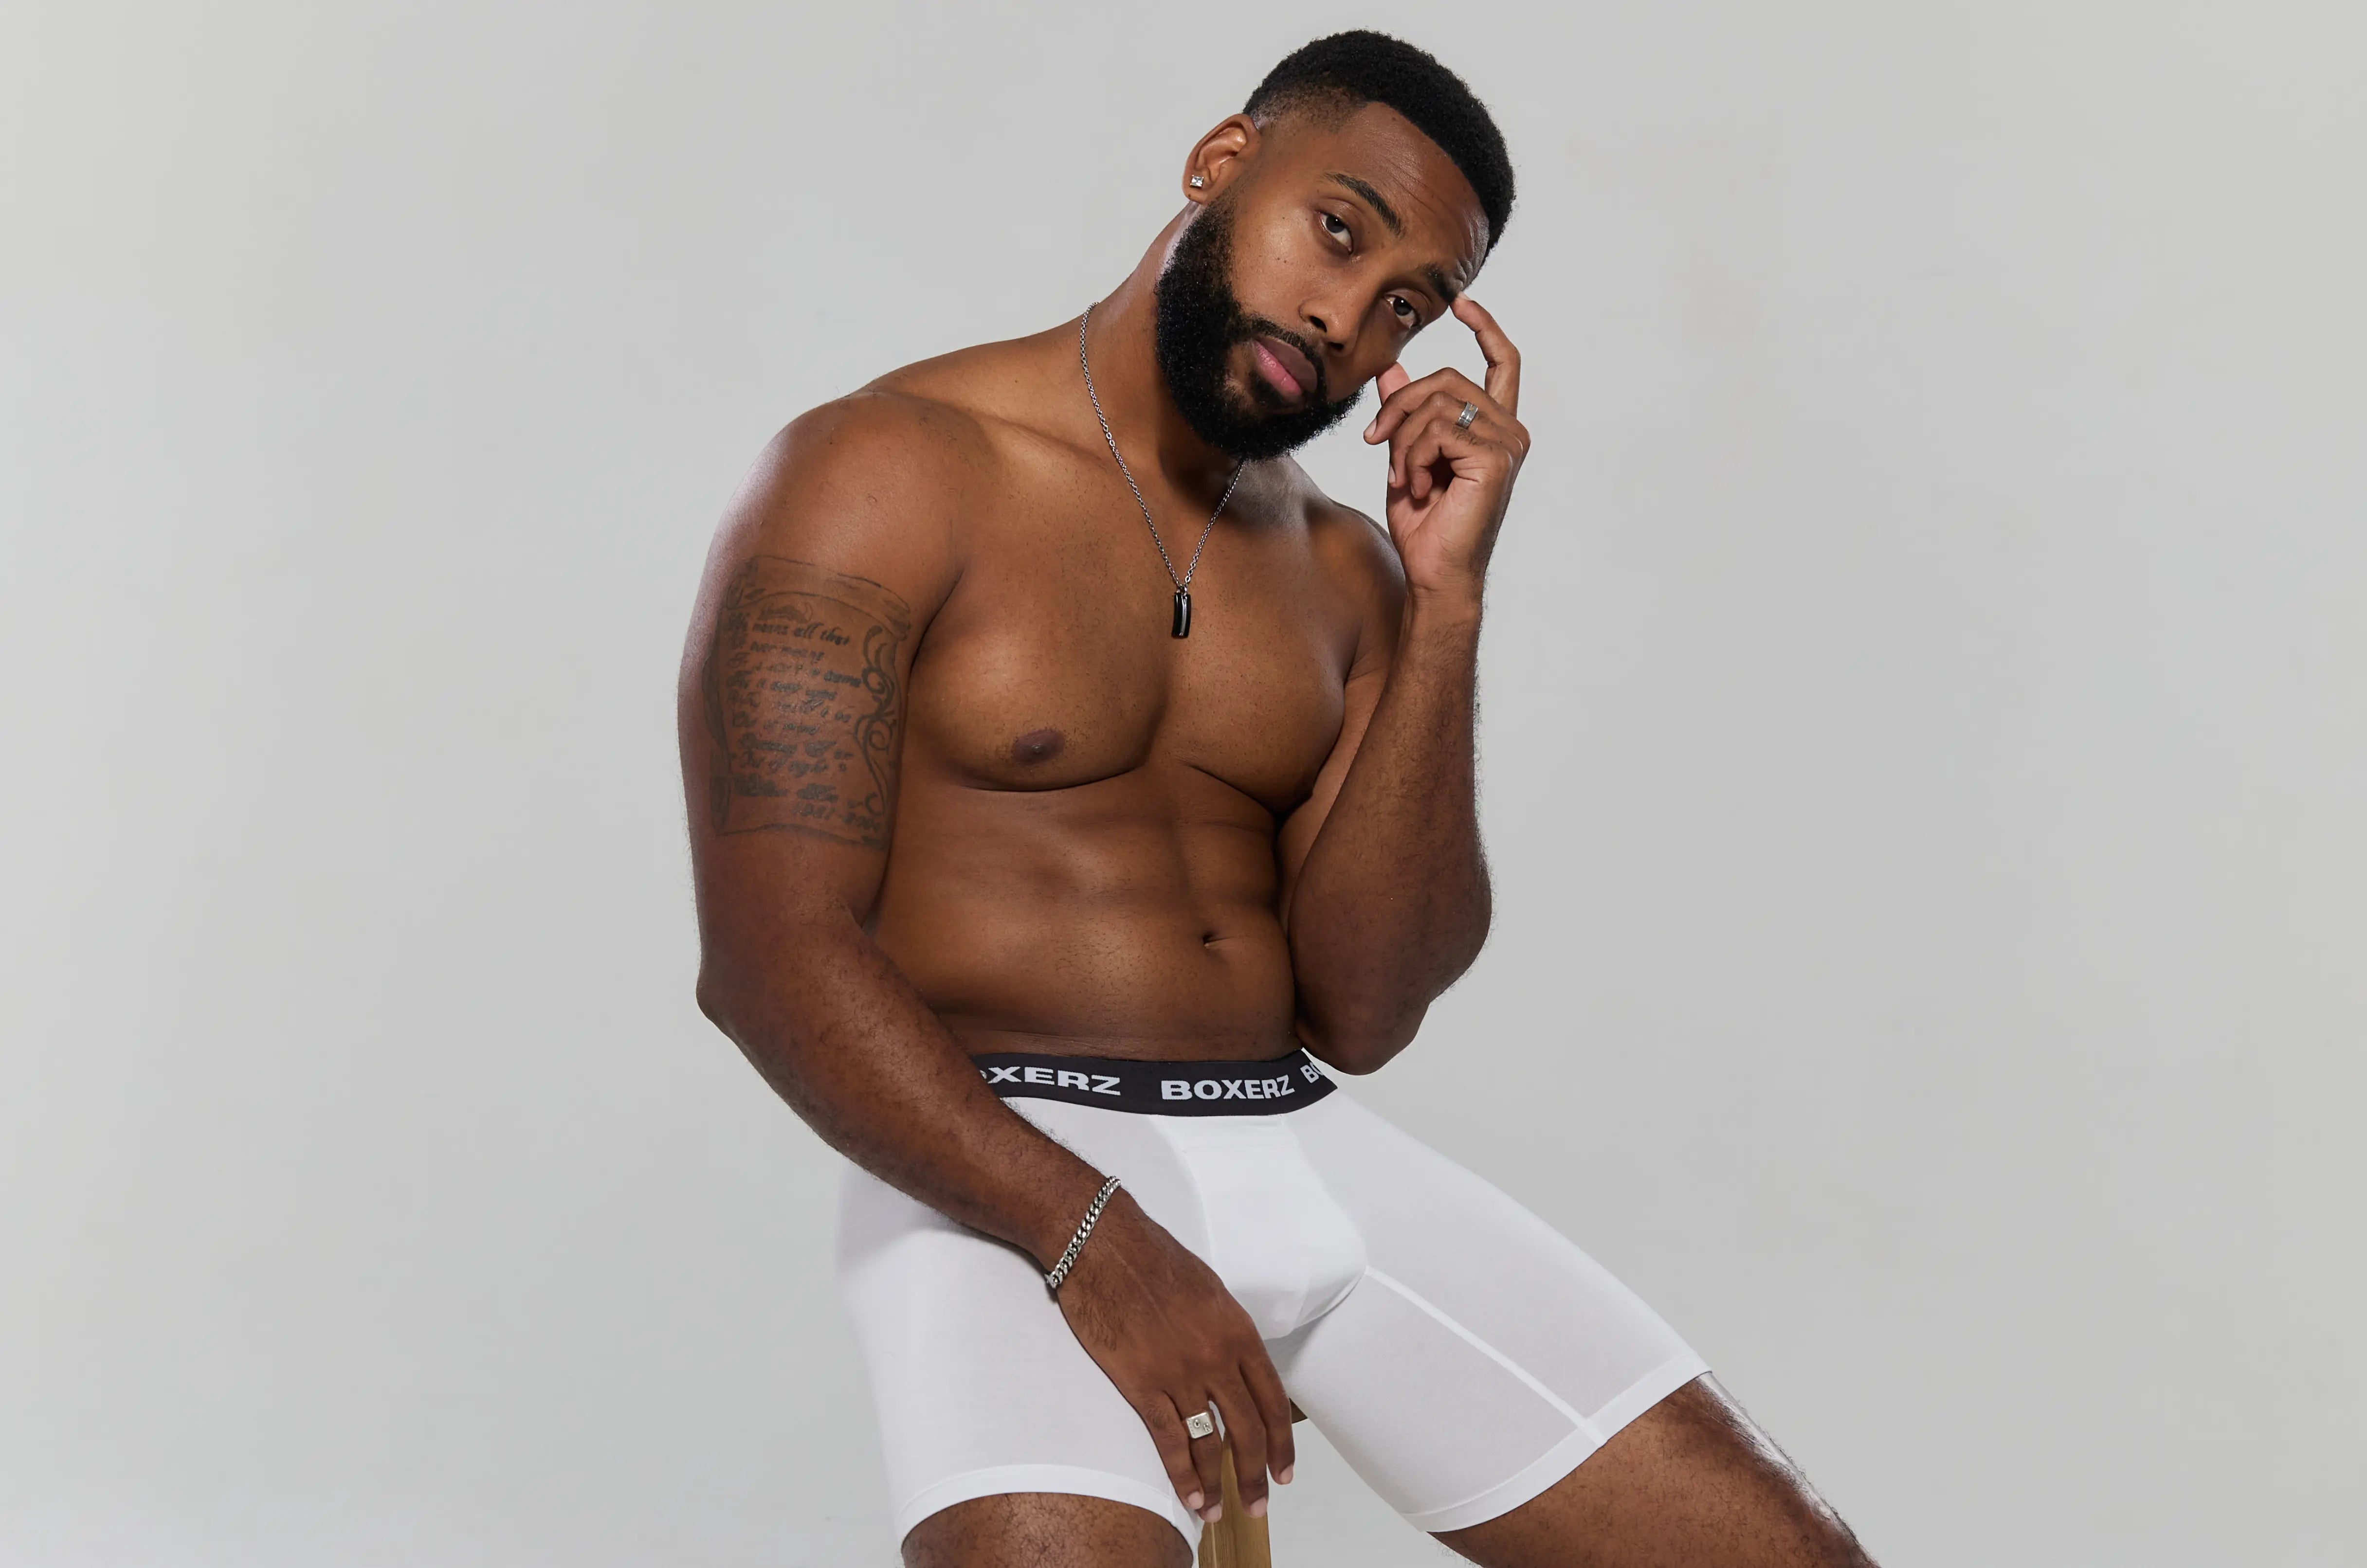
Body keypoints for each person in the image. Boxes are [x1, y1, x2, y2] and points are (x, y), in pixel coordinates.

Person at [678, 29, 1875, 1568]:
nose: (1345, 319)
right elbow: (770, 959)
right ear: (1222, 168)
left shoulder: (1340, 572)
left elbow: (1365, 1007)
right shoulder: (882, 468)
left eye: (1408, 307)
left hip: (1303, 1147)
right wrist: (1088, 1234)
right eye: (1338, 231)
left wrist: (1444, 606)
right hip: (1002, 1184)